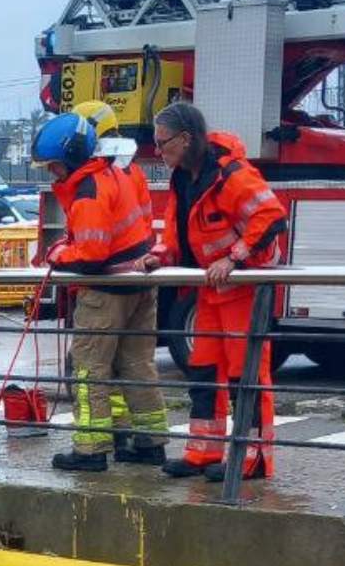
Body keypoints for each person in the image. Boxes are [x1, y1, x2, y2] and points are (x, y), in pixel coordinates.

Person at [151, 101, 288, 480]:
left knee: (246, 375)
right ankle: (204, 451)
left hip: (242, 286)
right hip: (211, 289)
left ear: (185, 139)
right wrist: (160, 255)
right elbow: (180, 234)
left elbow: (271, 216)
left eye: (163, 144)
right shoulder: (183, 178)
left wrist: (235, 258)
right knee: (205, 371)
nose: (159, 152)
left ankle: (253, 458)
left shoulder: (231, 174)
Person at [31, 108, 168, 473]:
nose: (51, 173)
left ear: (72, 159)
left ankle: (90, 449)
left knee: (89, 369)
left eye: (54, 166)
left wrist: (58, 253)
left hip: (105, 292)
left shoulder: (88, 191)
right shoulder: (118, 173)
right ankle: (151, 442)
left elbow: (91, 256)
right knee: (138, 364)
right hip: (137, 284)